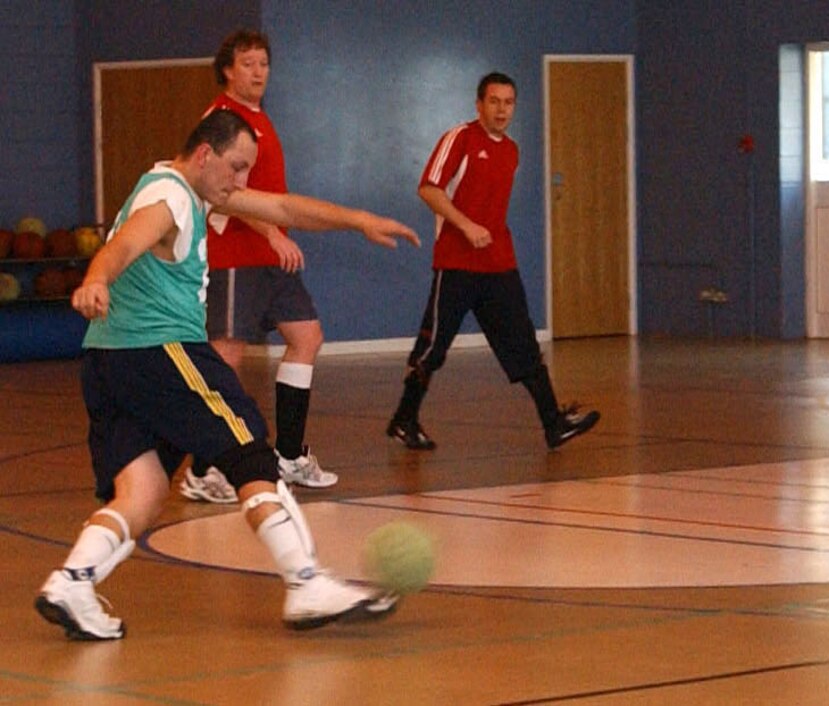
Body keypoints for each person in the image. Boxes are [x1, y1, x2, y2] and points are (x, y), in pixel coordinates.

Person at [37, 109, 417, 640]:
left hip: (110, 361)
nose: (240, 183)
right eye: (236, 168)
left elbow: (283, 207)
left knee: (143, 492)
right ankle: (306, 582)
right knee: (250, 452)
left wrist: (358, 219)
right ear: (204, 154)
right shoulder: (169, 195)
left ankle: (73, 582)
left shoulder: (190, 188)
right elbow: (120, 247)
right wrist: (96, 279)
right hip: (161, 349)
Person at [387, 72, 598, 450]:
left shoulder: (512, 150)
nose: (502, 110)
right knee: (433, 348)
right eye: (495, 101)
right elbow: (429, 188)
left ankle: (553, 423)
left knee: (523, 343)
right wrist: (466, 226)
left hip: (499, 262)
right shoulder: (460, 139)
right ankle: (405, 418)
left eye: (509, 102)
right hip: (455, 264)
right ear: (479, 104)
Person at [176, 29, 337, 506]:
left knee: (306, 337)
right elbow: (223, 190)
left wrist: (273, 238)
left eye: (263, 63)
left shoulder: (260, 118)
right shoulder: (220, 120)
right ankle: (203, 469)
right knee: (225, 357)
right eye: (248, 63)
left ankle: (288, 455)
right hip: (234, 255)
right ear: (228, 69)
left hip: (269, 256)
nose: (258, 71)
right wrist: (272, 231)